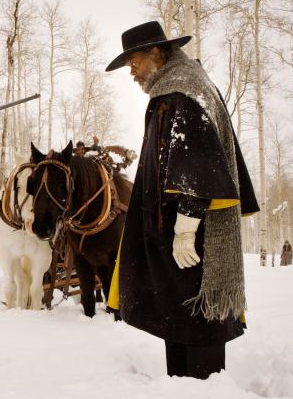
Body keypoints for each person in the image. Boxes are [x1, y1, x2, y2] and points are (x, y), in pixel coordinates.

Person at [105, 21, 259, 379]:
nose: (132, 72)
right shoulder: (178, 88)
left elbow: (197, 163)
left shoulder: (181, 93)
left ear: (156, 53)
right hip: (175, 231)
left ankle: (203, 397)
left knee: (196, 317)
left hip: (191, 235)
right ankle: (183, 392)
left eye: (134, 62)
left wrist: (186, 228)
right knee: (179, 316)